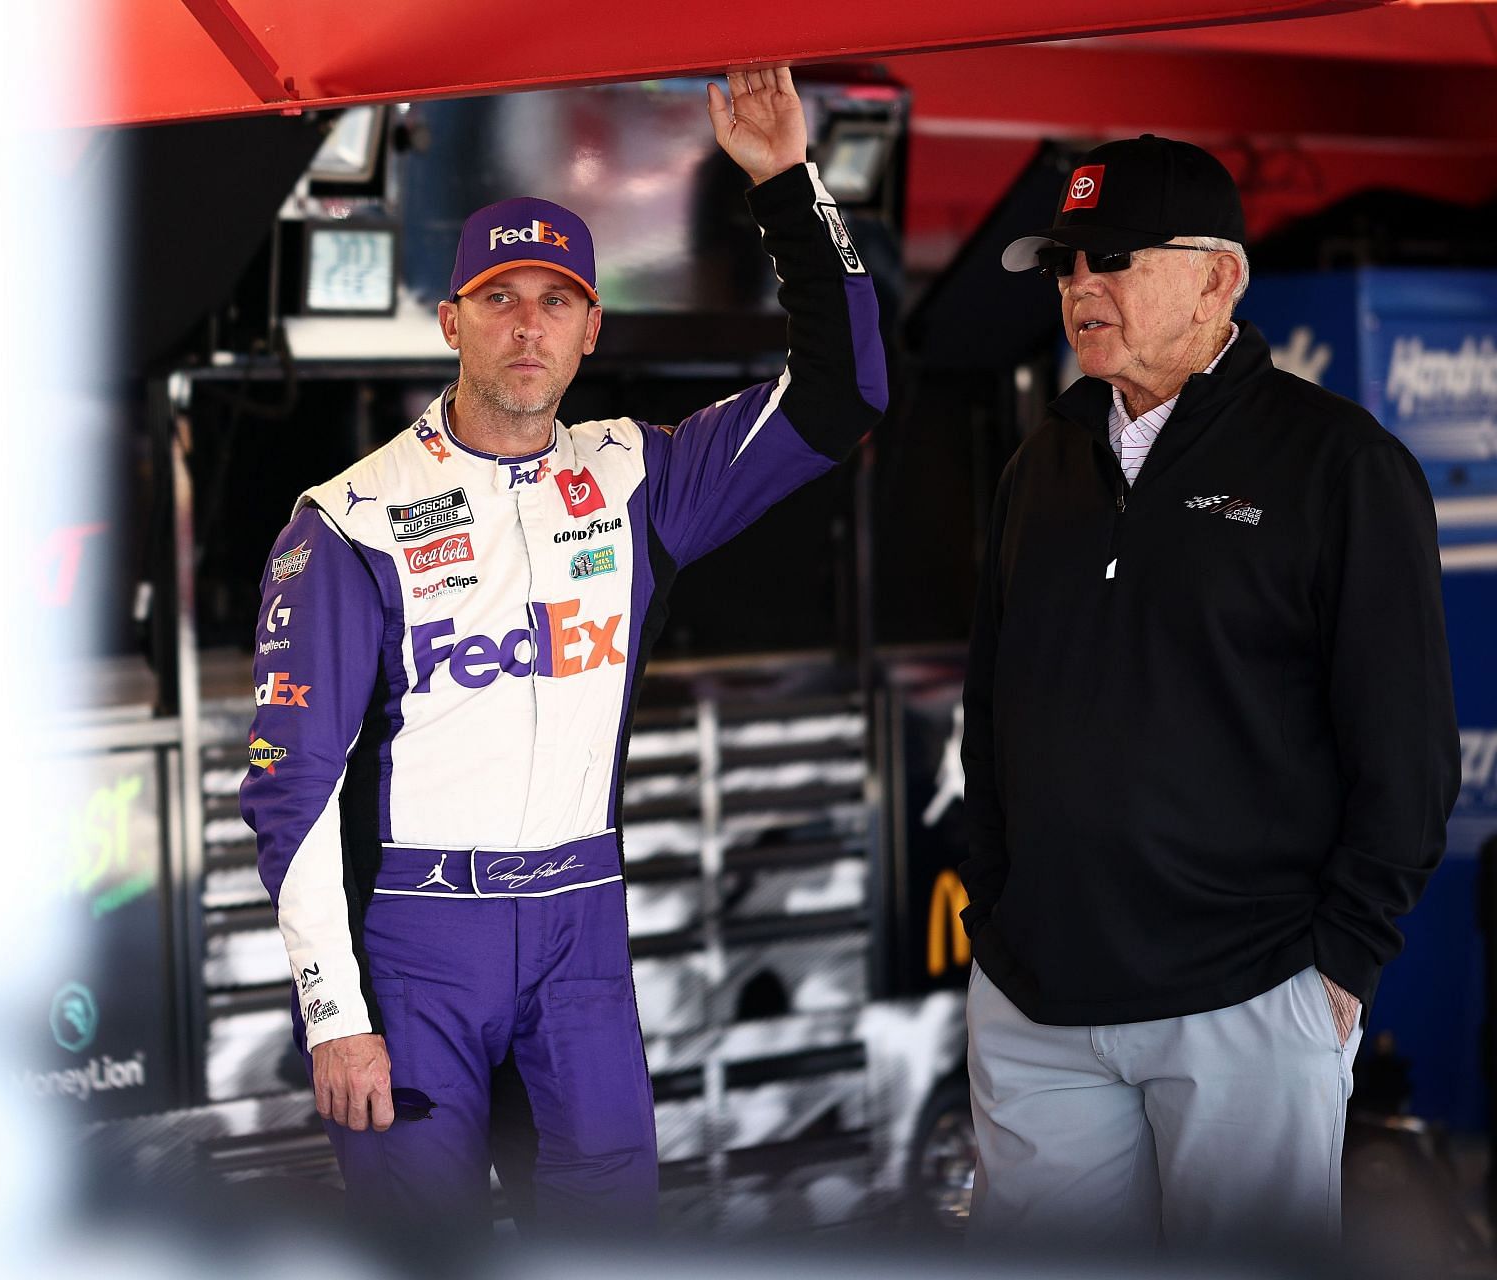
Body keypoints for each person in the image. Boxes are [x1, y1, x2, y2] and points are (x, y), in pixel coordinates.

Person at [239, 67, 887, 1235]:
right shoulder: (347, 515)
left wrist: (786, 181)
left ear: (593, 325)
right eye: (497, 296)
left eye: (555, 299)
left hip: (580, 929)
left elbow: (844, 392)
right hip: (414, 940)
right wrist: (334, 1008)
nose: (526, 324)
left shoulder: (637, 471)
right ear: (451, 321)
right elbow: (291, 788)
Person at [959, 133, 1460, 1252]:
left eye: (1113, 257)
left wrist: (1339, 966)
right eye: (1063, 263)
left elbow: (1408, 749)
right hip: (1040, 1005)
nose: (1080, 285)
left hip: (1249, 995)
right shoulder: (1035, 469)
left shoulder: (1341, 468)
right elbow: (988, 718)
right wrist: (994, 917)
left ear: (1219, 277)